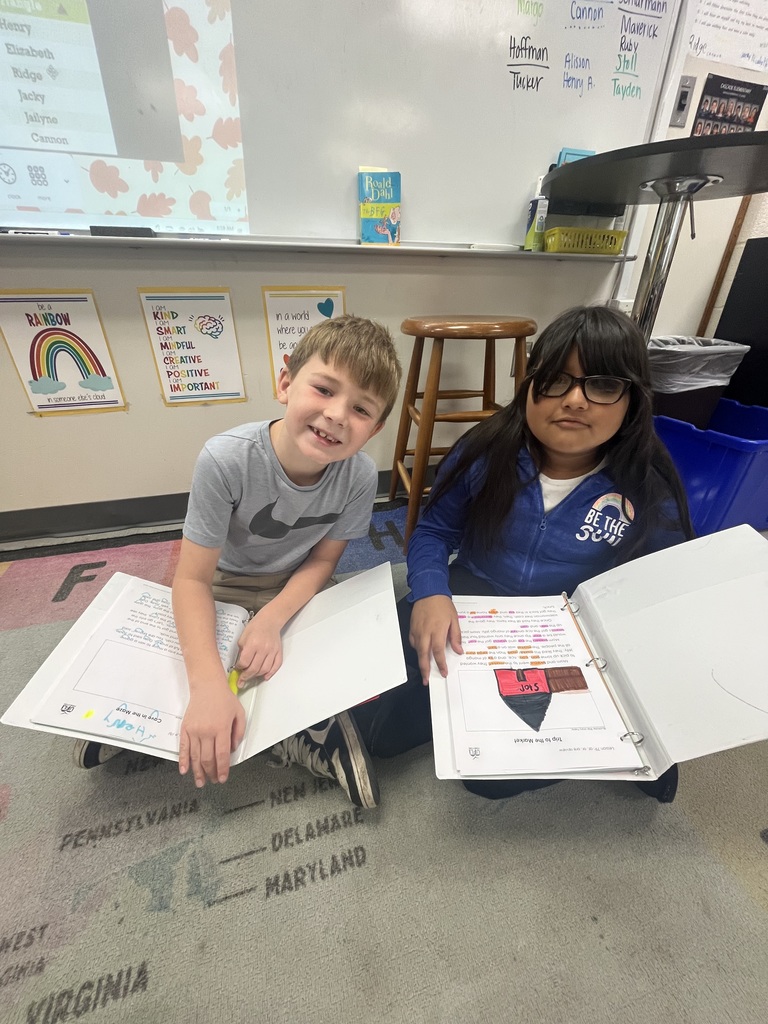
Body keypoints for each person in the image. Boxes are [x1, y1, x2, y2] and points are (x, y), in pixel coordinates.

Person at [350, 305, 694, 804]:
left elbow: (661, 584)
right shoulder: (484, 450)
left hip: (573, 629)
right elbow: (433, 530)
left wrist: (620, 659)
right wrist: (429, 591)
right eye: (556, 380)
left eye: (601, 385)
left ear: (632, 400)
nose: (574, 400)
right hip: (476, 599)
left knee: (490, 779)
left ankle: (614, 742)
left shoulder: (647, 483)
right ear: (530, 384)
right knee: (381, 730)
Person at [74, 315, 402, 810]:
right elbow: (191, 579)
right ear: (286, 384)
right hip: (220, 582)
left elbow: (322, 562)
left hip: (294, 583)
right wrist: (207, 686)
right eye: (324, 389)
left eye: (360, 408)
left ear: (374, 429)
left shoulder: (357, 476)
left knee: (335, 649)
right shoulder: (226, 459)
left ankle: (307, 732)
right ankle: (146, 715)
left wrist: (272, 619)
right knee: (188, 653)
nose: (337, 415)